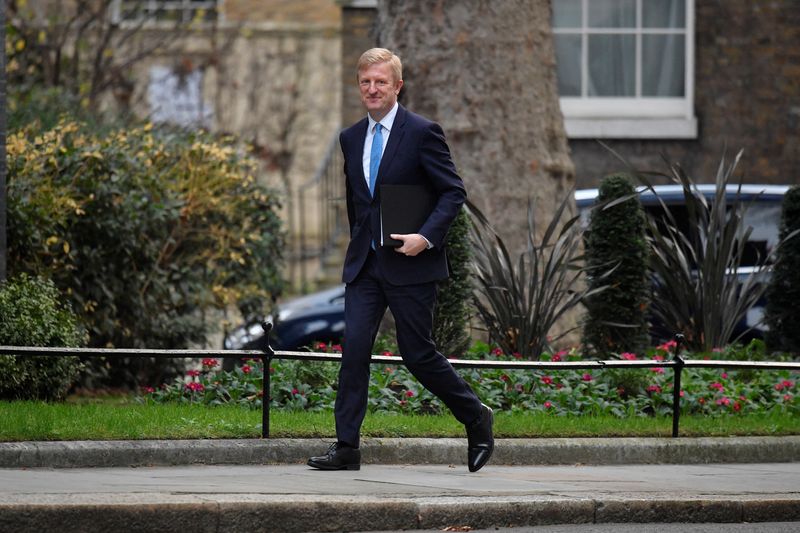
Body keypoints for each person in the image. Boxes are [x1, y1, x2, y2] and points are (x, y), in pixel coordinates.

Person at [307, 48, 493, 473]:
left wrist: (426, 238)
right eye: (366, 82)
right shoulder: (350, 137)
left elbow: (453, 192)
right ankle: (347, 448)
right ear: (359, 86)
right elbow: (360, 202)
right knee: (354, 348)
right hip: (365, 267)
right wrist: (359, 246)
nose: (372, 89)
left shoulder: (423, 132)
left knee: (417, 353)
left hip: (411, 262)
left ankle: (476, 418)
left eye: (381, 82)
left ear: (397, 86)